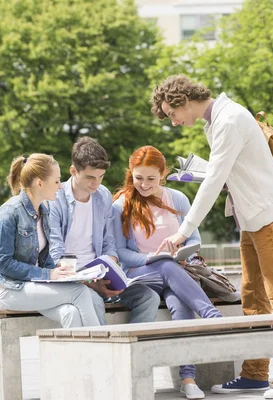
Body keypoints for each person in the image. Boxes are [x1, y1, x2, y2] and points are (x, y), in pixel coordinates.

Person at [150, 75, 273, 399]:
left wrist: (182, 232)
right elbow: (230, 174)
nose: (174, 122)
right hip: (250, 219)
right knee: (252, 296)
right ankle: (255, 374)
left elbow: (213, 183)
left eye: (171, 114)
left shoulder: (230, 119)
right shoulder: (216, 123)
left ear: (183, 100)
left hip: (266, 216)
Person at [113, 145, 222, 400]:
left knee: (180, 305)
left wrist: (185, 254)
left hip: (175, 272)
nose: (144, 184)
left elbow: (194, 238)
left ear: (163, 174)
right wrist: (152, 258)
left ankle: (188, 379)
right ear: (131, 173)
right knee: (164, 265)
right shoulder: (122, 205)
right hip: (140, 274)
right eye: (138, 177)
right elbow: (120, 252)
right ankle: (212, 316)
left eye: (151, 178)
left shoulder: (178, 199)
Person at [49, 137, 160, 324]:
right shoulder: (55, 199)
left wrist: (110, 271)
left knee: (149, 297)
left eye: (101, 177)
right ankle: (106, 351)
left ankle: (133, 349)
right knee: (94, 302)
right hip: (72, 280)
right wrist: (88, 281)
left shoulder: (102, 196)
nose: (96, 184)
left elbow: (109, 243)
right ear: (73, 171)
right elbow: (55, 253)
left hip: (99, 275)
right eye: (90, 177)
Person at [0, 153, 100, 328]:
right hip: (7, 289)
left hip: (31, 285)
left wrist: (65, 272)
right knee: (80, 292)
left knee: (70, 312)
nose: (60, 187)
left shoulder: (43, 210)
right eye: (57, 181)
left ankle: (76, 355)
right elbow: (3, 264)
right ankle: (102, 349)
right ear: (39, 183)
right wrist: (47, 274)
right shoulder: (8, 212)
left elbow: (43, 259)